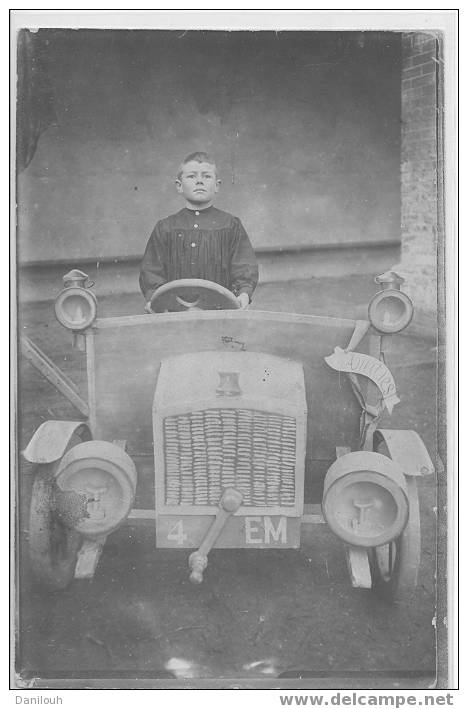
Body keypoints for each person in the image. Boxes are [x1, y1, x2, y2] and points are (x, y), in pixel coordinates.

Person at [139, 152, 258, 311]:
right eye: (192, 176)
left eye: (207, 176)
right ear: (179, 186)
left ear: (216, 186)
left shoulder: (230, 225)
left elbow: (244, 267)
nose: (200, 181)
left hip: (220, 311)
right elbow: (152, 272)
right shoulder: (166, 227)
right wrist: (154, 298)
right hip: (175, 312)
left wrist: (243, 294)